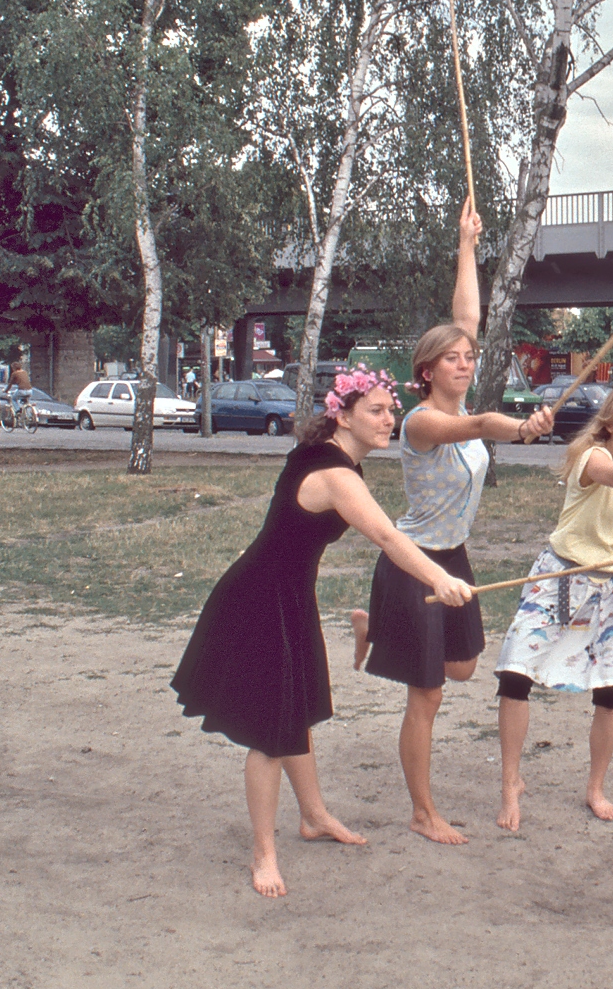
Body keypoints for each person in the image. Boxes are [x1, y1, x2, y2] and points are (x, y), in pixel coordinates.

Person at [171, 369, 473, 899]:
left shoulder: (326, 455)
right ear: (343, 416)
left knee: (296, 710)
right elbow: (386, 535)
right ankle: (263, 854)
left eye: (391, 410)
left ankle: (313, 816)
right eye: (376, 411)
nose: (389, 419)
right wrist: (439, 578)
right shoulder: (335, 474)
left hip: (287, 596)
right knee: (269, 734)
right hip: (260, 600)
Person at [351, 204, 554, 845]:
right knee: (429, 694)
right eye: (453, 360)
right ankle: (422, 812)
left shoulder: (458, 388)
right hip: (414, 563)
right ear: (427, 371)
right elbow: (480, 425)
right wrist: (522, 428)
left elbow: (466, 318)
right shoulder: (421, 423)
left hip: (453, 554)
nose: (465, 362)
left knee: (464, 666)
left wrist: (467, 245)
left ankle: (375, 628)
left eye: (470, 358)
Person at [495, 383, 613, 831]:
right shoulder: (592, 458)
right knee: (516, 676)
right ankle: (510, 782)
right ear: (609, 425)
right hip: (558, 578)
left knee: (610, 693)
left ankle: (596, 788)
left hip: (607, 590)